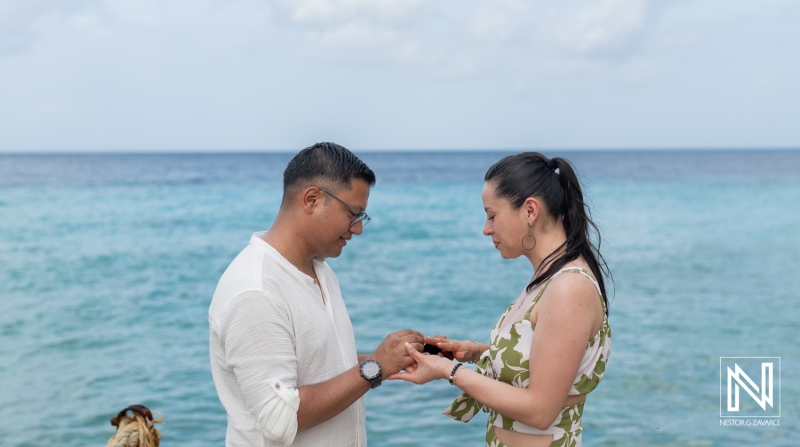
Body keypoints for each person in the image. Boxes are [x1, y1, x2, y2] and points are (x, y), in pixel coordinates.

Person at [209, 142, 424, 446]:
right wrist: (373, 367)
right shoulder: (255, 290)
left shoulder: (319, 269)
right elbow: (280, 419)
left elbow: (320, 367)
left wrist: (393, 359)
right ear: (311, 199)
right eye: (354, 213)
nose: (358, 229)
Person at [391, 152, 612, 447]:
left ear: (530, 211)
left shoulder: (568, 288)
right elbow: (540, 360)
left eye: (492, 215)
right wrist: (473, 352)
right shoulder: (548, 278)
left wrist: (449, 371)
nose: (486, 229)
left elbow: (541, 411)